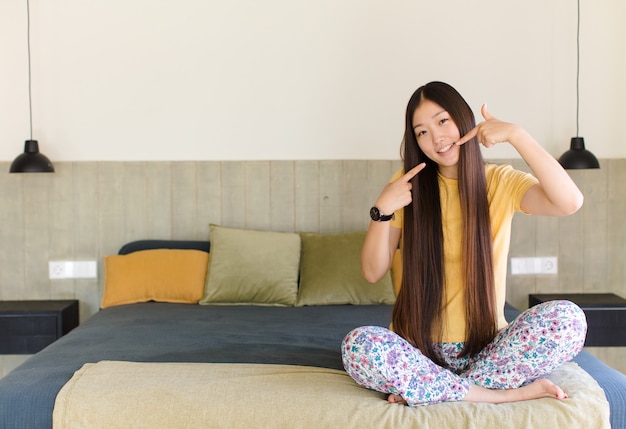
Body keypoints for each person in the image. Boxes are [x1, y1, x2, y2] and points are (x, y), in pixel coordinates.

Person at [342, 81, 587, 406]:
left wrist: (517, 135)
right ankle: (494, 396)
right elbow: (372, 272)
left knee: (568, 319)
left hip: (488, 347)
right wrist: (381, 210)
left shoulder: (500, 181)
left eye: (442, 121)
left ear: (463, 118)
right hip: (417, 351)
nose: (436, 138)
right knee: (357, 345)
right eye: (422, 132)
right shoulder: (406, 185)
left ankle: (436, 390)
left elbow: (569, 202)